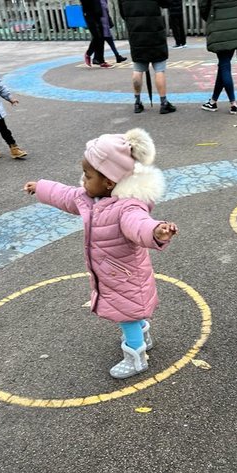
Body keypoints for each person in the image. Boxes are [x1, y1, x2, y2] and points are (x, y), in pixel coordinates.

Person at [22, 129, 180, 378]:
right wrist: (41, 187)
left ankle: (136, 356)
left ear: (109, 182)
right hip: (112, 273)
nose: (83, 181)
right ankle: (143, 336)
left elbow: (138, 224)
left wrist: (155, 231)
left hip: (124, 275)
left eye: (88, 175)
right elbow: (63, 195)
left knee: (125, 313)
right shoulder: (89, 198)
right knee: (130, 312)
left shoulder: (127, 206)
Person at [120, 0, 176, 113]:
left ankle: (137, 102)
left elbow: (123, 13)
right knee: (159, 69)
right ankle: (164, 103)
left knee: (138, 69)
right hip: (155, 31)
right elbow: (167, 3)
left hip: (136, 32)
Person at [199, 0, 237, 114]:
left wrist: (211, 18)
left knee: (224, 66)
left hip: (217, 27)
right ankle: (213, 101)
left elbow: (203, 6)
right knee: (224, 65)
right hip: (236, 26)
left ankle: (233, 103)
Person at [80, 0, 113, 67]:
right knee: (97, 36)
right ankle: (88, 54)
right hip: (90, 15)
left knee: (101, 37)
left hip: (99, 14)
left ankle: (99, 60)